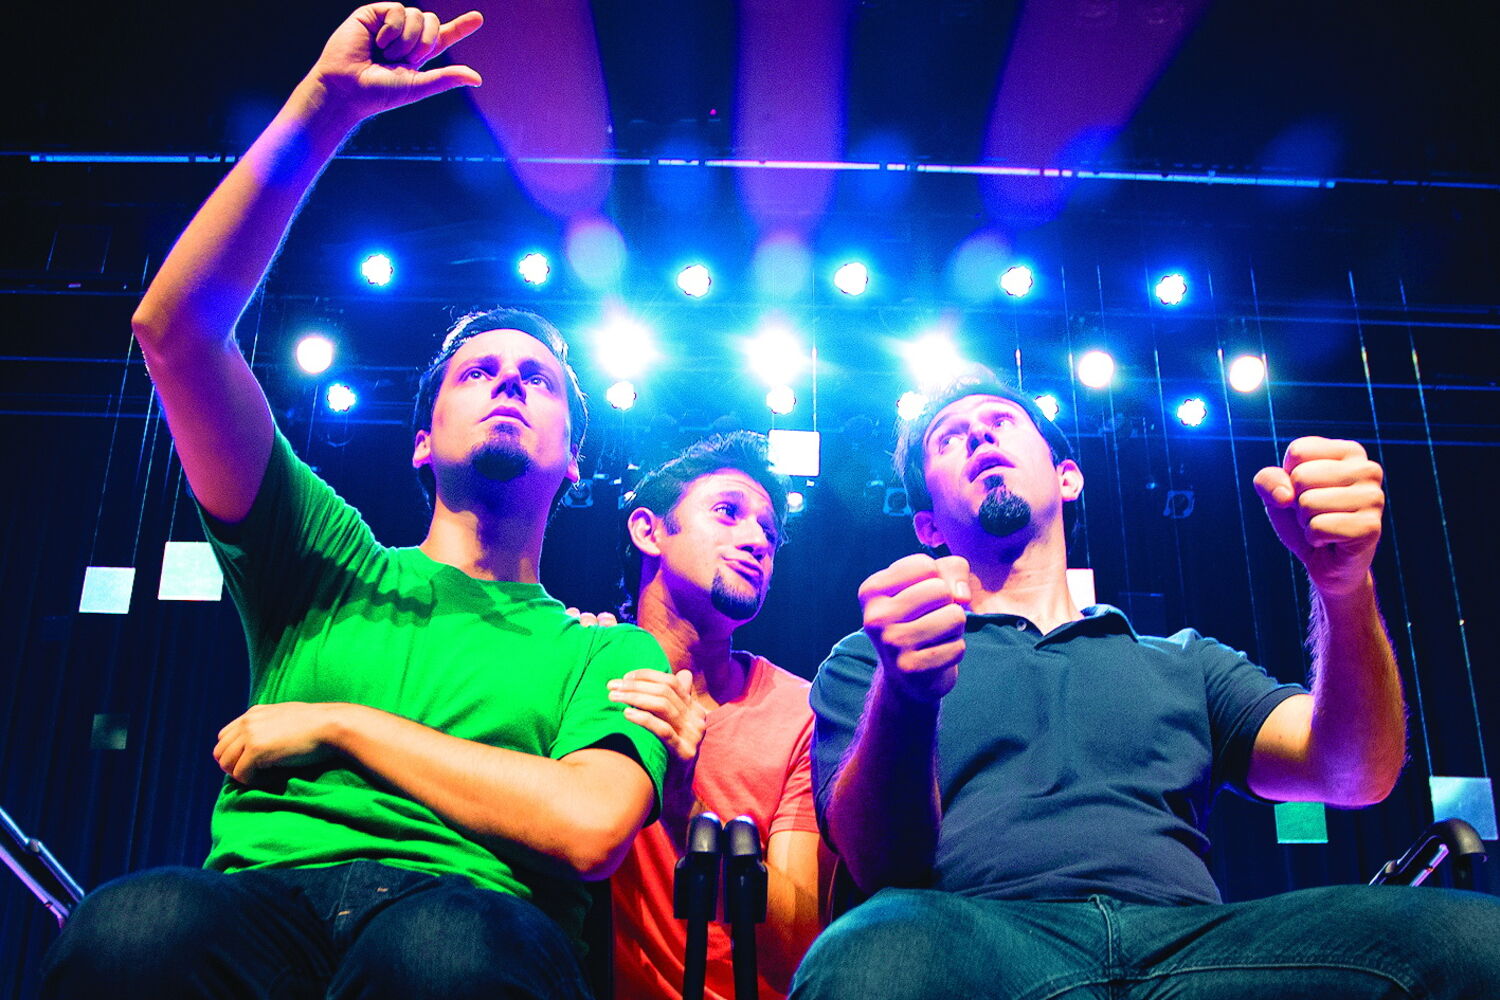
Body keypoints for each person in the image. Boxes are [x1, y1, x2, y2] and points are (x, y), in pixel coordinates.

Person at [41, 8, 670, 998]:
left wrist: (341, 724)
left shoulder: (607, 651)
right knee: (133, 928)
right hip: (262, 906)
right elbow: (176, 332)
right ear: (421, 440)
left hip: (470, 910)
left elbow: (588, 826)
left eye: (539, 380)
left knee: (444, 954)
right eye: (477, 372)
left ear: (573, 464)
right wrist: (326, 104)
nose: (509, 382)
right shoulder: (323, 562)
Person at [791, 375, 1500, 998]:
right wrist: (905, 692)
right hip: (976, 941)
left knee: (1474, 941)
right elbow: (880, 861)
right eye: (948, 439)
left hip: (1193, 949)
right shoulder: (872, 660)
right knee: (869, 958)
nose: (979, 435)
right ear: (926, 526)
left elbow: (1355, 772)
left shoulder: (1187, 662)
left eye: (1002, 420)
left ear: (1068, 477)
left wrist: (1345, 588)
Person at [605, 433, 825, 1000]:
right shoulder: (585, 672)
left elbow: (798, 951)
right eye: (728, 512)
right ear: (649, 531)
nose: (756, 541)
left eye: (769, 533)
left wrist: (683, 801)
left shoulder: (800, 712)